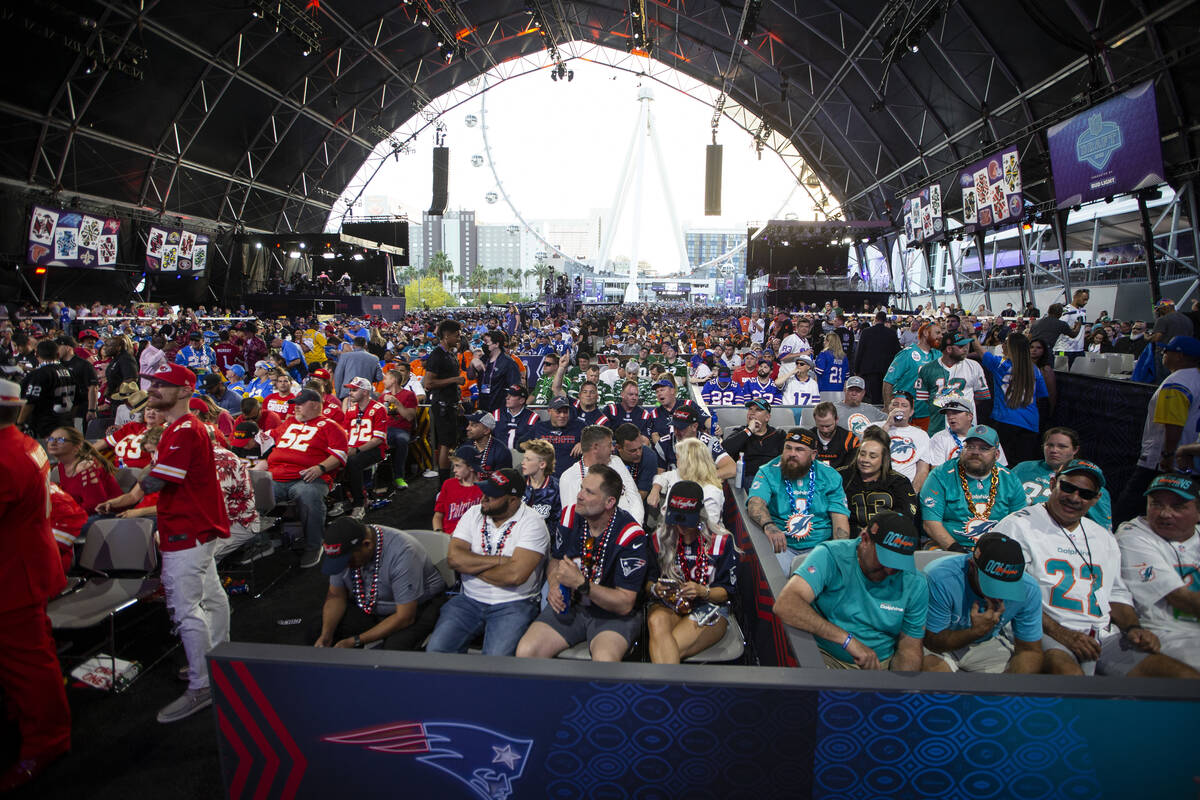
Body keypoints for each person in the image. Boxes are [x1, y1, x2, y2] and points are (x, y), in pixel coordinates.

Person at [996, 460, 1198, 678]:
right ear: (1053, 483)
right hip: (1043, 631)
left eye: (1085, 494)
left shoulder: (1102, 536)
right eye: (1068, 487)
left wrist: (1133, 628)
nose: (1074, 498)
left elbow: (1116, 594)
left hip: (1102, 635)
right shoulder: (1017, 525)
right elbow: (1009, 593)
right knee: (1068, 674)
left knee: (1181, 676)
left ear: (1096, 499)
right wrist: (1063, 633)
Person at [135, 363, 232, 722]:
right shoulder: (179, 427)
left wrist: (143, 478)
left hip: (185, 529)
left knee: (185, 608)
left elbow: (153, 484)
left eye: (164, 384)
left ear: (186, 391)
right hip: (195, 527)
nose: (155, 389)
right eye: (153, 383)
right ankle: (216, 661)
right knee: (211, 597)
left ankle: (203, 684)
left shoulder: (186, 429)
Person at [0, 378, 71, 790]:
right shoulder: (21, 444)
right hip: (24, 564)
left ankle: (47, 740)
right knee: (26, 663)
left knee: (30, 666)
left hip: (14, 575)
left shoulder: (8, 455)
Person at [515, 464, 650, 661]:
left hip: (612, 616)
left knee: (604, 661)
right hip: (573, 606)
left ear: (609, 502)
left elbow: (625, 603)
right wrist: (554, 585)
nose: (579, 495)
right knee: (527, 651)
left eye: (589, 492)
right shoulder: (570, 515)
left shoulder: (630, 535)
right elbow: (556, 560)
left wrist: (582, 584)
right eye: (581, 488)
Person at [774, 512, 926, 670]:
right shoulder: (831, 555)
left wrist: (899, 688)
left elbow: (910, 647)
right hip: (827, 658)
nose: (889, 570)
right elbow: (786, 604)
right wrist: (847, 640)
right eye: (884, 560)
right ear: (865, 539)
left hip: (881, 666)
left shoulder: (915, 582)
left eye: (898, 565)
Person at [428, 469, 547, 656]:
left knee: (495, 662)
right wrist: (500, 561)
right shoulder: (473, 513)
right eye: (485, 491)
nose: (484, 497)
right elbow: (453, 558)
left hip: (514, 604)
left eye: (493, 495)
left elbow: (514, 576)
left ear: (513, 500)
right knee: (436, 651)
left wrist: (469, 567)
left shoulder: (533, 523)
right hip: (468, 600)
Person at [921, 531, 1045, 674]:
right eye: (992, 585)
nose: (999, 594)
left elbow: (1029, 650)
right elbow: (932, 641)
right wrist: (976, 631)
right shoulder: (940, 578)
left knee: (1015, 677)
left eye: (1007, 587)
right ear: (972, 566)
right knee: (931, 671)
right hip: (939, 644)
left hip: (986, 644)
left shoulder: (1029, 589)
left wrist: (1012, 692)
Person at [313, 518, 447, 650]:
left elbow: (405, 617)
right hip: (371, 606)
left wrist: (356, 640)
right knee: (317, 629)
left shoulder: (403, 553)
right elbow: (336, 596)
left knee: (392, 652)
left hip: (416, 607)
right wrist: (326, 634)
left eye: (349, 560)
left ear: (367, 545)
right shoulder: (344, 552)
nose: (346, 566)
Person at [645, 481, 737, 664]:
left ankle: (664, 688)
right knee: (656, 621)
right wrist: (657, 589)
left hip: (709, 607)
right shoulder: (658, 538)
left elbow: (727, 592)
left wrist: (704, 591)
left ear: (700, 515)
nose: (681, 528)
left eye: (687, 522)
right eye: (675, 521)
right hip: (668, 604)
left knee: (665, 653)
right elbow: (647, 583)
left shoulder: (721, 541)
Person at [1116, 473, 1200, 669]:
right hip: (1162, 633)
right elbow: (1180, 598)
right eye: (1156, 504)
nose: (1164, 514)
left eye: (1177, 507)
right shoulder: (1133, 534)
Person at [260, 387, 349, 568]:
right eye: (295, 404)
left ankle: (314, 545)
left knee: (308, 496)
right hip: (276, 476)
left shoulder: (331, 426)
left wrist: (321, 467)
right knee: (250, 494)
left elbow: (341, 454)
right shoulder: (289, 422)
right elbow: (268, 440)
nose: (296, 407)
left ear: (315, 405)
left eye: (301, 404)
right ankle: (260, 542)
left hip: (308, 477)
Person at [1116, 336, 1200, 525]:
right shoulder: (1196, 378)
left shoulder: (1177, 382)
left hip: (1161, 461)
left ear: (1179, 355)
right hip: (1189, 461)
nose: (1163, 353)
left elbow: (1173, 424)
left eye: (1167, 350)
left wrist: (1168, 454)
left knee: (1128, 511)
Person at [747, 428, 850, 573]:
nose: (792, 454)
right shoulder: (768, 471)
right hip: (781, 544)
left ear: (813, 454)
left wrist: (838, 552)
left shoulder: (830, 476)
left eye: (799, 450)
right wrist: (769, 526)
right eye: (788, 448)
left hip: (819, 546)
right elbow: (755, 503)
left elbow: (840, 519)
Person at [919, 425, 1025, 551]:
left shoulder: (1010, 479)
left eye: (984, 448)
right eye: (970, 447)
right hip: (948, 546)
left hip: (995, 549)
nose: (975, 452)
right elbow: (931, 523)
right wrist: (955, 549)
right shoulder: (940, 475)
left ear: (996, 454)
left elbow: (1018, 523)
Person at [1012, 427, 1113, 528]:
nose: (1054, 450)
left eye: (1062, 446)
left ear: (1075, 450)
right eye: (1049, 445)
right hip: (1014, 523)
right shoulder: (1023, 468)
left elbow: (1101, 527)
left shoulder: (1089, 483)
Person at [975, 333, 1047, 465]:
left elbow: (980, 351)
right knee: (1022, 466)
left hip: (1005, 421)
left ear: (1012, 347)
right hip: (1030, 424)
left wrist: (973, 335)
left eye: (1006, 342)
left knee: (1001, 465)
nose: (1002, 345)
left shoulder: (1000, 364)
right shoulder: (1035, 370)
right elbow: (1043, 399)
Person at [838, 425, 918, 534]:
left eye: (873, 456)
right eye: (862, 454)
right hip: (849, 538)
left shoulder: (899, 482)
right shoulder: (840, 477)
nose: (865, 460)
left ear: (883, 459)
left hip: (886, 538)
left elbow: (905, 518)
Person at [558, 424, 645, 524]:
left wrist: (635, 525)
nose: (613, 449)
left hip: (627, 529)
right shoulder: (569, 477)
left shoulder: (616, 461)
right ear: (595, 447)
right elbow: (572, 518)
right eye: (609, 445)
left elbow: (634, 496)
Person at [913, 333, 990, 435]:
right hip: (937, 426)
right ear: (949, 349)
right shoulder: (927, 369)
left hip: (966, 428)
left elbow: (980, 397)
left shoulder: (974, 366)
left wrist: (962, 407)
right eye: (961, 346)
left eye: (966, 345)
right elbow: (923, 399)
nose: (966, 349)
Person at [337, 376, 388, 520]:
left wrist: (357, 450)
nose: (350, 393)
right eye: (350, 390)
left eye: (354, 390)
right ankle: (341, 500)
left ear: (365, 392)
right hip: (353, 448)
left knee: (353, 461)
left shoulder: (378, 409)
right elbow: (345, 433)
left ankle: (359, 504)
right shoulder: (351, 410)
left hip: (373, 449)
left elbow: (378, 439)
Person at [424, 320, 466, 479]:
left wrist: (458, 401)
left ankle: (447, 479)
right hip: (442, 405)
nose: (459, 338)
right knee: (446, 443)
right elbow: (429, 383)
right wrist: (455, 380)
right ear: (446, 335)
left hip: (451, 403)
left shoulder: (450, 354)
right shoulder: (437, 355)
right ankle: (443, 483)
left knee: (450, 442)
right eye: (457, 335)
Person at [648, 437, 725, 523]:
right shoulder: (679, 474)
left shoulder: (711, 491)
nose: (676, 463)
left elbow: (710, 526)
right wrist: (655, 489)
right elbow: (662, 477)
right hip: (671, 527)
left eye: (678, 459)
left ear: (688, 462)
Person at [46, 427, 121, 515]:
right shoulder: (61, 466)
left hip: (107, 516)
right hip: (84, 512)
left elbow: (95, 505)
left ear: (76, 446)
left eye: (60, 440)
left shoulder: (86, 466)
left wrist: (66, 513)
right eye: (51, 439)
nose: (53, 443)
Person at [722, 397, 785, 486]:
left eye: (758, 410)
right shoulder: (740, 432)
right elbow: (724, 450)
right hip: (748, 479)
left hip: (773, 478)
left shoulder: (778, 435)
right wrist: (749, 431)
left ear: (767, 417)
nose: (752, 412)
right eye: (750, 409)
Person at [18, 340, 74, 438]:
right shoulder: (69, 372)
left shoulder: (39, 375)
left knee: (46, 452)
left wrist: (19, 423)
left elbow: (30, 402)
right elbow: (78, 401)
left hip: (45, 429)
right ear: (57, 354)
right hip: (66, 425)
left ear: (36, 354)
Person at [662, 404, 734, 479]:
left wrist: (701, 479)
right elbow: (659, 475)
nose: (676, 432)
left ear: (694, 426)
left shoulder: (709, 443)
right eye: (675, 427)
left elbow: (731, 468)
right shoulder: (664, 443)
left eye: (681, 428)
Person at [882, 321, 941, 411]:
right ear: (925, 333)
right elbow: (888, 381)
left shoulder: (938, 355)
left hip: (928, 412)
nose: (941, 336)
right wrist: (887, 407)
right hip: (906, 412)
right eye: (937, 333)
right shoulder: (907, 353)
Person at [883, 392, 932, 492]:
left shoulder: (921, 435)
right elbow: (871, 450)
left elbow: (922, 470)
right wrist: (888, 424)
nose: (899, 409)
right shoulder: (874, 427)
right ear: (889, 408)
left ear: (911, 412)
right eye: (895, 405)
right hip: (879, 485)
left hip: (906, 488)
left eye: (904, 405)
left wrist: (913, 493)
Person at [432, 446, 485, 536]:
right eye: (454, 466)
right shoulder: (448, 484)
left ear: (471, 467)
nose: (454, 470)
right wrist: (439, 535)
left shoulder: (483, 489)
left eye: (458, 466)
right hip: (446, 537)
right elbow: (438, 516)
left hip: (471, 538)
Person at [380, 368, 417, 490]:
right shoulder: (383, 396)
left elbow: (410, 417)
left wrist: (396, 402)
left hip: (401, 429)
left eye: (386, 378)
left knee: (401, 439)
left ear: (394, 380)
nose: (383, 381)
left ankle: (399, 476)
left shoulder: (409, 395)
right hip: (385, 428)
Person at [853, 312, 901, 404]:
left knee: (872, 398)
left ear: (875, 319)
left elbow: (860, 351)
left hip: (869, 369)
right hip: (886, 370)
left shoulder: (866, 332)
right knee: (884, 397)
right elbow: (897, 353)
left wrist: (856, 368)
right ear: (885, 320)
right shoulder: (891, 333)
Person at [520, 439, 562, 525]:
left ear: (542, 464)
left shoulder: (557, 490)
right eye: (524, 458)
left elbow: (557, 525)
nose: (522, 463)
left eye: (528, 459)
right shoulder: (517, 484)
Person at [614, 421, 658, 502]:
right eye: (633, 451)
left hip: (636, 506)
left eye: (640, 448)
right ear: (618, 448)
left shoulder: (649, 456)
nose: (638, 453)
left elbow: (641, 495)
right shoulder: (608, 454)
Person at [463, 410, 512, 481]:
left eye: (473, 425)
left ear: (486, 430)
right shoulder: (465, 447)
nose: (468, 428)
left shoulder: (501, 451)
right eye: (469, 424)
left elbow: (502, 482)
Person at [809, 401, 859, 470]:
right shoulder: (807, 437)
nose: (824, 430)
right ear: (815, 420)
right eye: (821, 426)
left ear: (836, 419)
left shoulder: (850, 439)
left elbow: (851, 469)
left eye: (828, 426)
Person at [495, 385, 541, 449]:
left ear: (521, 400)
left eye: (512, 396)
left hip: (521, 455)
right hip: (499, 454)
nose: (507, 398)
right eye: (507, 395)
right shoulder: (497, 414)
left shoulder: (532, 418)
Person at [813, 332, 848, 401]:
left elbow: (818, 373)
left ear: (828, 341)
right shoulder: (844, 356)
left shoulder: (824, 354)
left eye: (825, 340)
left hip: (825, 389)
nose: (823, 342)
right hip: (839, 390)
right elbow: (846, 378)